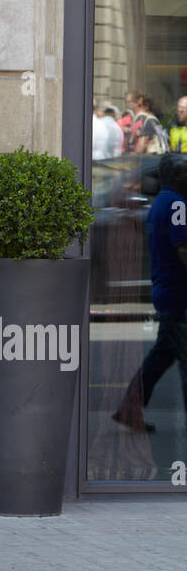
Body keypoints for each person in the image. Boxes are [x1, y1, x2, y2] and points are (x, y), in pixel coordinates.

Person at [112, 154, 187, 433]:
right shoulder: (177, 204)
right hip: (179, 296)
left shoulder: (161, 203)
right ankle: (129, 410)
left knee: (162, 356)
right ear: (179, 176)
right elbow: (184, 249)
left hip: (167, 293)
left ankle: (129, 410)